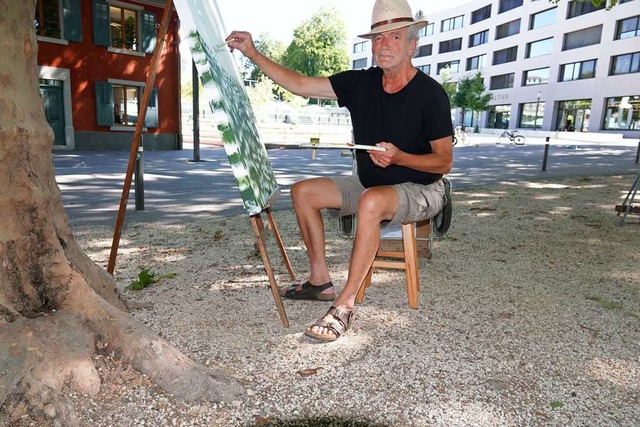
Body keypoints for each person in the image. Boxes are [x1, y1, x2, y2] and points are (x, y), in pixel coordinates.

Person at [226, 0, 453, 342]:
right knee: (303, 192)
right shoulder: (361, 84)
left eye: (393, 37)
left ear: (412, 44)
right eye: (378, 38)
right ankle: (320, 281)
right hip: (371, 183)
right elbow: (301, 85)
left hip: (421, 187)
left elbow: (443, 162)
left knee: (372, 202)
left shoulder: (431, 94)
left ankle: (344, 307)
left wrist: (400, 157)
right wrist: (252, 53)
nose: (384, 45)